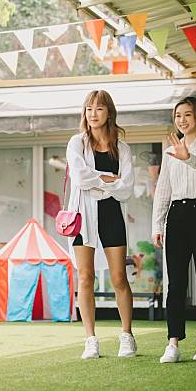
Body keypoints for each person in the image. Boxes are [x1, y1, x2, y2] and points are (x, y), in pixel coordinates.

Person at [151, 97, 196, 364]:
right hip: (178, 215)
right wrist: (157, 225)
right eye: (177, 115)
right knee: (176, 282)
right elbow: (163, 190)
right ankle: (173, 343)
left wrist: (189, 157)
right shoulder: (170, 150)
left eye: (187, 115)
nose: (182, 120)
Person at [66, 89, 136, 359]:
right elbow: (80, 178)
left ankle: (127, 335)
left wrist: (100, 182)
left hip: (112, 215)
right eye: (88, 109)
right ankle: (90, 339)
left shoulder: (123, 148)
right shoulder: (77, 143)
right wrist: (108, 178)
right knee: (85, 277)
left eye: (98, 109)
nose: (93, 114)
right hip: (82, 216)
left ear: (109, 113)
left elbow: (126, 188)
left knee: (119, 278)